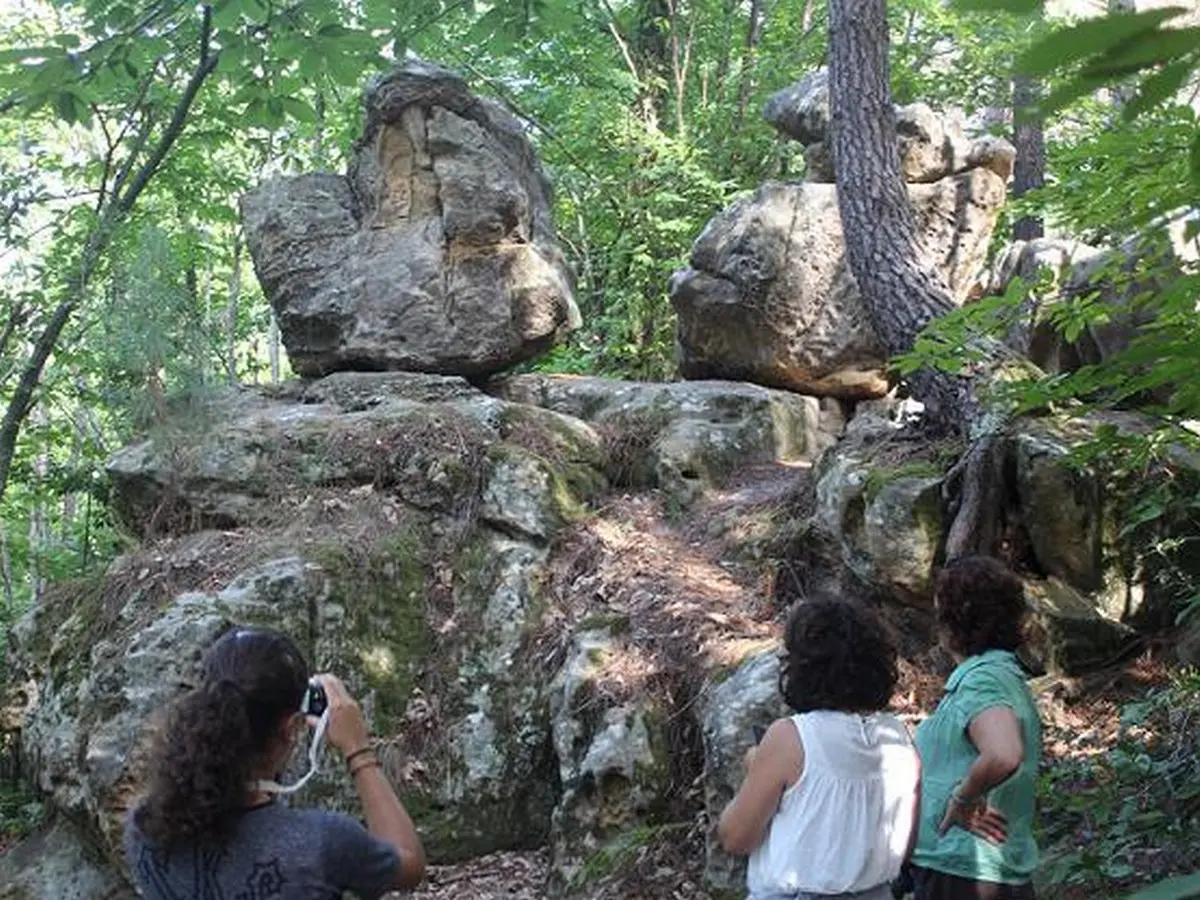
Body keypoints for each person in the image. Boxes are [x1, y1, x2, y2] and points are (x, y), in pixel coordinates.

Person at [124, 625, 426, 899]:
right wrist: (358, 750)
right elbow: (409, 864)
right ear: (291, 727)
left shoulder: (144, 826)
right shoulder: (321, 842)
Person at [717, 596, 921, 900]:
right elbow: (906, 844)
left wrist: (755, 769)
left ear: (801, 667)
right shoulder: (899, 737)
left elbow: (736, 837)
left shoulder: (791, 737)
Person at [908, 555, 1042, 900]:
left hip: (963, 871)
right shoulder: (1003, 676)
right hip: (978, 868)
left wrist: (962, 798)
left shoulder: (983, 680)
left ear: (953, 618)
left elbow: (1003, 753)